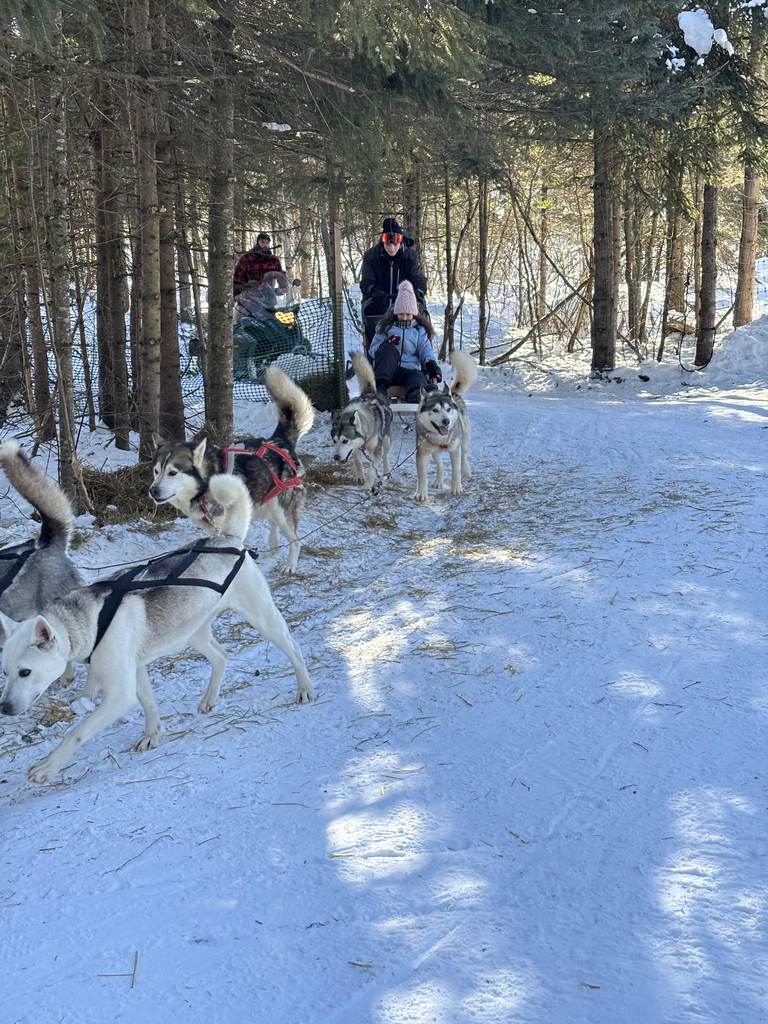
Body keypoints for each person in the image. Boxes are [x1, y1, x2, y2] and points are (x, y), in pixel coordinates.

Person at [369, 281, 442, 403]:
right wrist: (387, 343)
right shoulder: (386, 328)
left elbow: (426, 350)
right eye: (401, 314)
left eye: (408, 314)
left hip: (410, 370)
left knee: (417, 377)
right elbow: (372, 350)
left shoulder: (419, 331)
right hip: (389, 371)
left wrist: (431, 364)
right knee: (387, 349)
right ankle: (380, 390)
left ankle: (416, 395)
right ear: (396, 313)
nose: (404, 317)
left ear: (413, 314)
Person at [360, 217, 427, 351]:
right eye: (388, 244)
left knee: (418, 325)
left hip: (404, 306)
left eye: (395, 244)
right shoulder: (371, 257)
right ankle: (375, 358)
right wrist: (374, 290)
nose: (391, 248)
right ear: (382, 241)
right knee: (376, 332)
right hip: (379, 306)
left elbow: (418, 279)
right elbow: (366, 281)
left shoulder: (409, 257)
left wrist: (418, 293)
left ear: (400, 241)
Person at [233, 232, 282, 297]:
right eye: (262, 242)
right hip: (249, 296)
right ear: (257, 243)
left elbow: (281, 275)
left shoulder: (273, 260)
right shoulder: (247, 258)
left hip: (268, 296)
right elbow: (237, 278)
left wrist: (282, 288)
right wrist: (237, 294)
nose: (265, 245)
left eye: (267, 243)